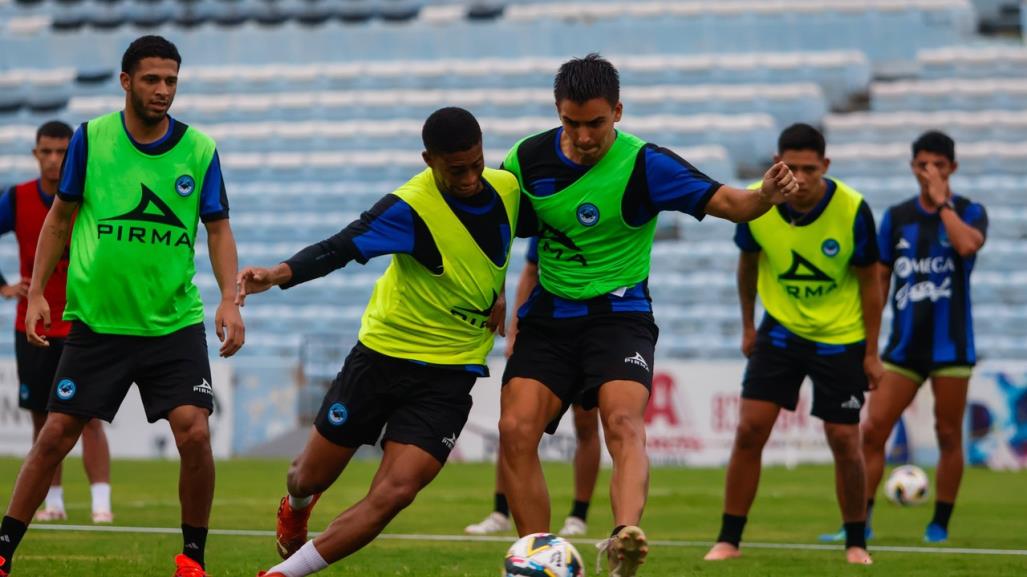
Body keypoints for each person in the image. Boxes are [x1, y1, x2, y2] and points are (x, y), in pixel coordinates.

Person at [497, 53, 796, 577]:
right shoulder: (526, 159)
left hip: (619, 317)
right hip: (549, 316)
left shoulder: (646, 164)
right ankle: (538, 558)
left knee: (622, 422)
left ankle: (621, 540)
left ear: (618, 111)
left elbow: (732, 204)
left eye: (596, 123)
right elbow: (491, 232)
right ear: (557, 112)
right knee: (515, 429)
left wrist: (765, 195)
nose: (585, 136)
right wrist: (497, 294)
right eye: (572, 123)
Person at [0, 35, 244, 577]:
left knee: (195, 432)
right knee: (55, 434)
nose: (163, 91)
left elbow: (219, 229)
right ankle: (3, 547)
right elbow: (59, 219)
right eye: (153, 79)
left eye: (172, 81)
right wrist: (37, 290)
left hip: (173, 324)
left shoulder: (199, 150)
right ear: (126, 81)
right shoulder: (91, 139)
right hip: (99, 325)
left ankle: (193, 557)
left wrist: (230, 300)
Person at [240, 107, 522, 577]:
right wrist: (275, 274)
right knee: (307, 476)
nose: (472, 177)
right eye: (457, 170)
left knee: (396, 491)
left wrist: (499, 291)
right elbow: (339, 247)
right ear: (429, 160)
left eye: (477, 163)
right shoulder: (408, 208)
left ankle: (280, 576)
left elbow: (515, 242)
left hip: (451, 373)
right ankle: (296, 505)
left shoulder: (509, 189)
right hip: (381, 359)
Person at [703, 123, 881, 565]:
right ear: (776, 164)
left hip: (839, 337)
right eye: (791, 167)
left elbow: (870, 285)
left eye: (809, 169)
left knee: (844, 440)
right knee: (748, 432)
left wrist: (873, 352)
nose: (798, 179)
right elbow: (747, 268)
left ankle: (856, 541)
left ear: (826, 166)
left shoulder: (853, 208)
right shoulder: (755, 200)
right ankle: (729, 539)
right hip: (779, 332)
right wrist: (748, 325)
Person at [859, 131, 986, 543]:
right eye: (922, 165)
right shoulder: (896, 217)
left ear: (953, 168)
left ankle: (939, 524)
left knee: (948, 434)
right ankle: (859, 524)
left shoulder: (969, 210)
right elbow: (878, 281)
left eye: (938, 165)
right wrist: (869, 345)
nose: (929, 172)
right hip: (903, 348)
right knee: (873, 429)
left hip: (952, 347)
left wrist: (942, 200)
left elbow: (967, 246)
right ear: (912, 166)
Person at [0, 121, 113, 524]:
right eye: (46, 151)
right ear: (35, 154)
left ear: (74, 154)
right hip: (34, 324)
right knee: (42, 419)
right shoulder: (16, 198)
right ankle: (54, 501)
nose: (54, 160)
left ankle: (102, 505)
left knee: (91, 418)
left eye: (62, 151)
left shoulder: (91, 196)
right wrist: (4, 286)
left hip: (85, 321)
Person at [466, 238, 601, 538]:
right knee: (516, 424)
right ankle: (501, 511)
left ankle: (578, 516)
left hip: (594, 333)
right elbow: (530, 270)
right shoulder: (548, 205)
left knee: (587, 423)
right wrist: (515, 331)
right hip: (550, 334)